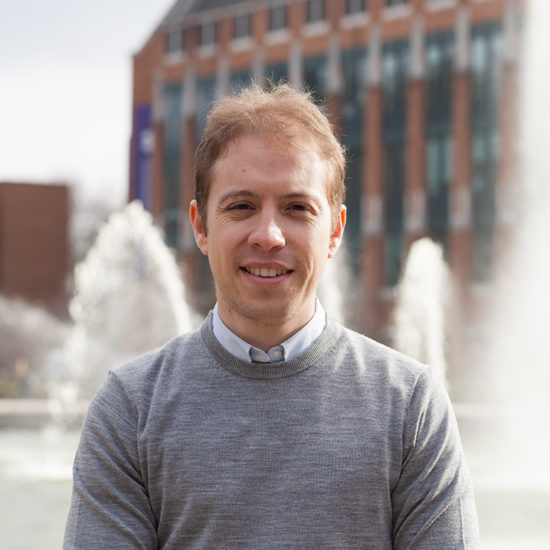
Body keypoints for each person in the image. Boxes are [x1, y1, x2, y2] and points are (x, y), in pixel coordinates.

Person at [64, 84, 479, 549]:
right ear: (200, 226)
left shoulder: (412, 407)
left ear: (335, 231)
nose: (268, 235)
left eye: (297, 208)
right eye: (241, 206)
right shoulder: (130, 408)